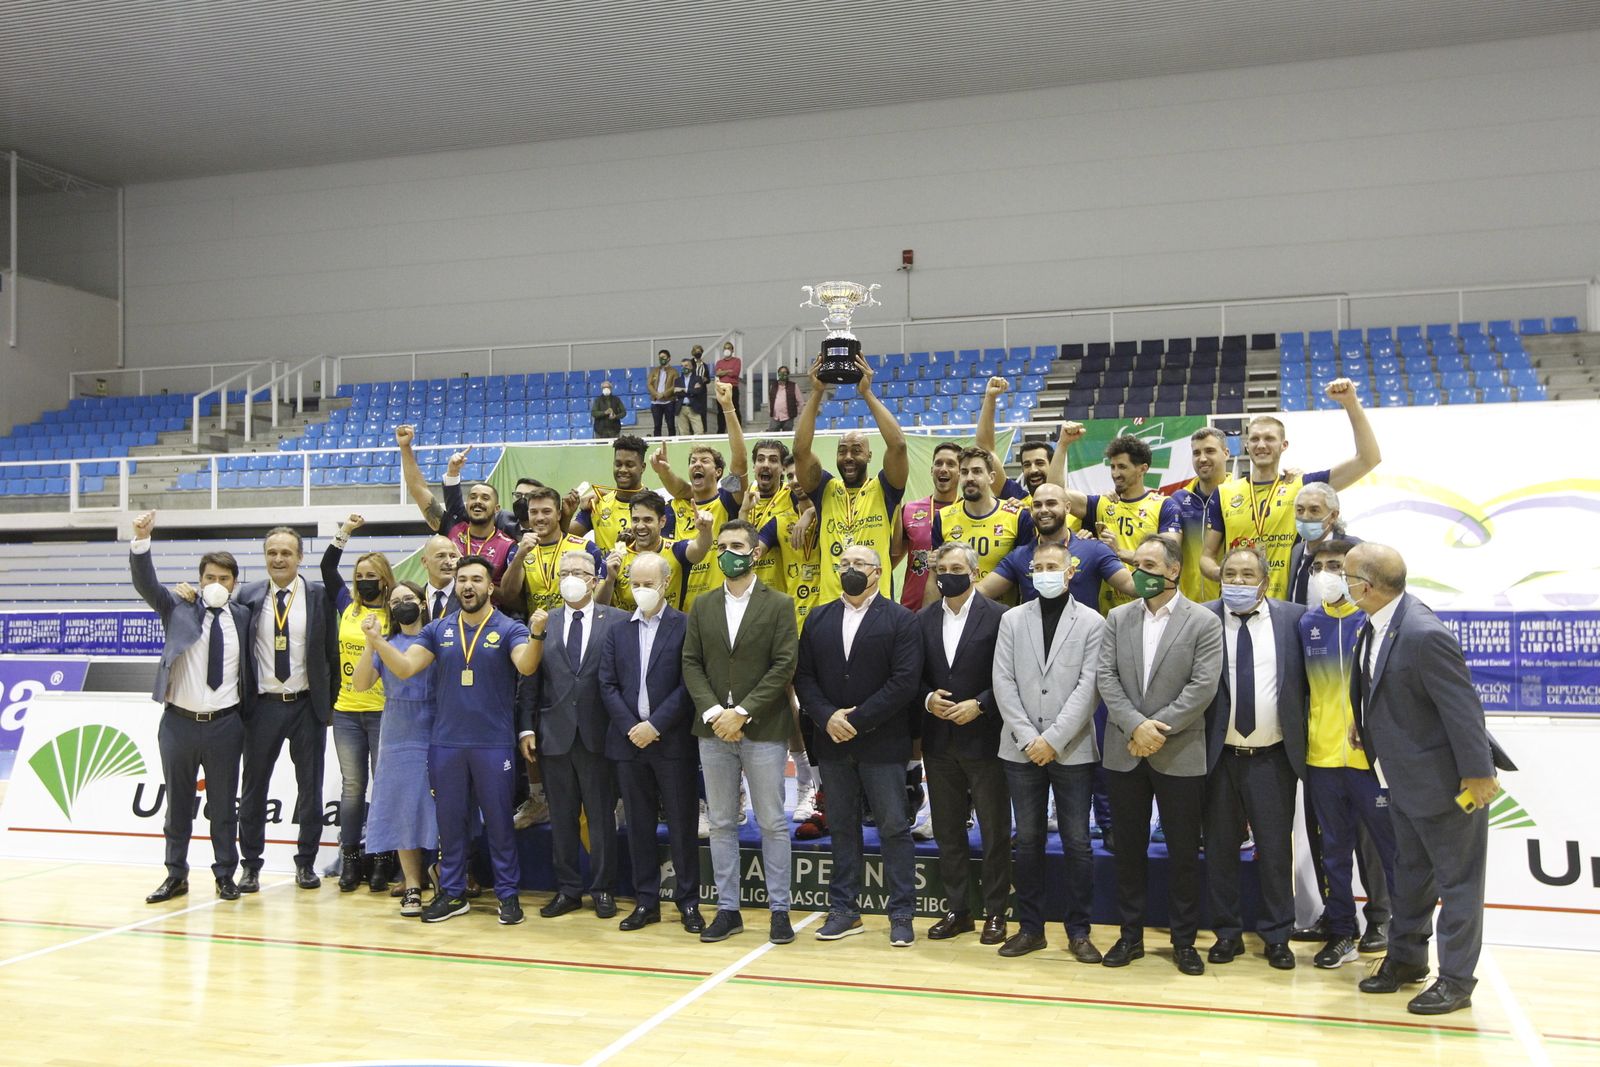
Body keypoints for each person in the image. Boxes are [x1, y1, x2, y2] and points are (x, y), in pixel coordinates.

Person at [1345, 543, 1498, 1015]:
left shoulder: (1422, 632)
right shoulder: (1377, 621)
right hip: (1402, 779)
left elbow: (1463, 709)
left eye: (1346, 575)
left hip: (1448, 786)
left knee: (1457, 886)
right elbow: (1385, 687)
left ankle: (1455, 981)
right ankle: (1407, 960)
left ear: (1365, 587)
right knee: (1410, 878)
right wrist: (1363, 723)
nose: (1338, 583)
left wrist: (1478, 775)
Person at [365, 555, 540, 925]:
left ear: (490, 587)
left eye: (476, 579)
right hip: (445, 744)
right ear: (455, 585)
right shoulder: (438, 630)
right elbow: (406, 667)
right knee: (450, 824)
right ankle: (453, 892)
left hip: (492, 744)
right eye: (462, 580)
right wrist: (377, 642)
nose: (468, 586)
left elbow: (526, 665)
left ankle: (508, 896)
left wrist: (537, 636)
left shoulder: (510, 628)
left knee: (498, 823)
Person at [1095, 534, 1223, 974]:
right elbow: (1106, 678)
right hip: (1125, 749)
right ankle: (1129, 937)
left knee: (1184, 852)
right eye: (1136, 565)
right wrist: (1136, 726)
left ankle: (1183, 941)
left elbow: (1202, 688)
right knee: (1127, 850)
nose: (1140, 573)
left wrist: (1155, 730)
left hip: (1179, 750)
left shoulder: (1204, 622)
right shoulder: (1117, 617)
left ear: (1173, 570)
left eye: (1150, 565)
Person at [795, 544, 923, 947]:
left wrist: (856, 720)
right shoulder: (818, 617)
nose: (850, 569)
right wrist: (827, 717)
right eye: (844, 563)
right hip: (831, 741)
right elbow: (804, 677)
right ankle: (844, 911)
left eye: (859, 564)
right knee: (842, 828)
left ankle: (901, 913)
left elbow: (904, 682)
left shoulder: (902, 620)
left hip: (883, 742)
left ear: (878, 572)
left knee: (893, 827)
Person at [682, 519, 800, 945]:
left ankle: (780, 911)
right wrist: (717, 712)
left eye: (737, 545)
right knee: (720, 823)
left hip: (764, 728)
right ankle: (728, 910)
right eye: (723, 545)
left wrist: (743, 712)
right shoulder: (703, 604)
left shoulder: (780, 604)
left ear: (755, 553)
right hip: (712, 729)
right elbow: (690, 662)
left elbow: (783, 665)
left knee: (772, 823)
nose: (729, 552)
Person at [129, 510, 252, 903]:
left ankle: (224, 875)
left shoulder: (245, 617)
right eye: (210, 578)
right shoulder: (177, 607)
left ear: (235, 584)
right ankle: (175, 874)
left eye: (224, 578)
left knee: (223, 808)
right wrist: (141, 540)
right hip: (178, 724)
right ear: (200, 581)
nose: (216, 584)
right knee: (177, 807)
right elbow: (146, 584)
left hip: (225, 726)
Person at [991, 540, 1105, 960]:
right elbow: (1002, 681)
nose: (1044, 572)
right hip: (1020, 749)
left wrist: (1052, 740)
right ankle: (1031, 928)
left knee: (1077, 842)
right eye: (1037, 566)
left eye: (1051, 565)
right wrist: (1027, 737)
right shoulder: (1012, 620)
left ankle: (1079, 931)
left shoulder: (1094, 623)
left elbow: (1088, 689)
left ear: (1070, 570)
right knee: (1028, 840)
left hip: (1071, 749)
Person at [1201, 546, 1308, 971]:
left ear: (1265, 582)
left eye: (1248, 575)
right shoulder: (1202, 618)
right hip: (1218, 757)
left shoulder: (1295, 619)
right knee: (1221, 850)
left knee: (1275, 850)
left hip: (1273, 757)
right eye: (1231, 574)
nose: (1238, 582)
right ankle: (1227, 933)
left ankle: (1278, 934)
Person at [1298, 538, 1396, 969]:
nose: (1326, 574)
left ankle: (1387, 922)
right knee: (1333, 850)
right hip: (1322, 759)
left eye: (1335, 565)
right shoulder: (1307, 624)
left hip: (1370, 763)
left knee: (1382, 849)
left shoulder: (1375, 621)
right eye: (1318, 566)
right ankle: (1340, 929)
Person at [597, 551, 704, 934]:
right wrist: (632, 727)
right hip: (628, 744)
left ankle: (688, 902)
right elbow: (607, 685)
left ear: (666, 585)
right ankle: (646, 901)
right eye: (635, 584)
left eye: (648, 584)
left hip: (671, 741)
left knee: (681, 824)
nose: (641, 590)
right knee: (638, 825)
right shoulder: (617, 630)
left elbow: (689, 683)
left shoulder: (686, 626)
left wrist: (655, 725)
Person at [1202, 378, 1382, 599]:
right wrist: (1229, 574)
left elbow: (1368, 459)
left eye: (1269, 438)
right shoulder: (1224, 493)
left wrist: (1350, 402)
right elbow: (1206, 557)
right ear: (1246, 445)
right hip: (1237, 600)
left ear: (1283, 445)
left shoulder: (1302, 486)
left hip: (1288, 606)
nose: (1261, 445)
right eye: (1255, 439)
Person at [916, 543, 1011, 947]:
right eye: (942, 567)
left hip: (987, 740)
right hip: (939, 743)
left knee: (994, 832)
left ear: (974, 573)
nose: (947, 573)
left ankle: (995, 912)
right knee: (948, 832)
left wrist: (982, 705)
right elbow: (910, 674)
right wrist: (926, 699)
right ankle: (957, 909)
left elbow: (1010, 676)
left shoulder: (1002, 617)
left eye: (957, 567)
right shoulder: (920, 620)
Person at [233, 525, 338, 892]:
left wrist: (329, 706)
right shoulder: (246, 596)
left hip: (306, 706)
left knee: (310, 790)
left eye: (286, 553)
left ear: (300, 557)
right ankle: (250, 866)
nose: (279, 559)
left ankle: (306, 863)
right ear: (265, 557)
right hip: (261, 708)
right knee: (253, 790)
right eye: (272, 552)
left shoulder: (318, 596)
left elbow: (331, 653)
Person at [520, 550, 624, 920]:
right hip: (554, 735)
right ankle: (567, 889)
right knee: (561, 819)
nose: (570, 577)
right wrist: (527, 727)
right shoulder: (542, 623)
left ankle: (603, 889)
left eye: (578, 571)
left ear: (594, 579)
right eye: (564, 571)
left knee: (600, 818)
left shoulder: (618, 621)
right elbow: (530, 679)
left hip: (600, 735)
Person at [793, 354, 909, 606]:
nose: (848, 457)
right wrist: (816, 393)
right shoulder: (825, 489)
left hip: (877, 607)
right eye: (842, 450)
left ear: (869, 455)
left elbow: (898, 445)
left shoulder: (884, 489)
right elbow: (800, 452)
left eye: (856, 450)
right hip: (831, 606)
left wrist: (866, 393)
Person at [353, 580, 438, 918]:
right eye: (396, 600)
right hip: (397, 730)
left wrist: (377, 641)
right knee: (404, 808)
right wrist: (370, 644)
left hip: (433, 725)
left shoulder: (435, 637)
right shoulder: (384, 643)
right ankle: (413, 884)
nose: (403, 603)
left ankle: (446, 875)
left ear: (422, 602)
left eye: (409, 598)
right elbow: (360, 684)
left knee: (435, 806)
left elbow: (407, 667)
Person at [320, 514, 395, 893]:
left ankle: (383, 859)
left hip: (384, 712)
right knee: (353, 787)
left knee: (383, 787)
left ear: (384, 578)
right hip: (347, 710)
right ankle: (349, 859)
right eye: (360, 573)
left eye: (372, 574)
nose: (365, 579)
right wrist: (344, 532)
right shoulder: (346, 605)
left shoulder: (395, 613)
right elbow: (326, 566)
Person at [653, 382, 748, 609]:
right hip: (680, 609)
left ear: (718, 472)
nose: (697, 464)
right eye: (693, 461)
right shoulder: (673, 506)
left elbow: (740, 461)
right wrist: (664, 471)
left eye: (704, 461)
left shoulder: (726, 500)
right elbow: (680, 489)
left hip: (720, 606)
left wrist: (728, 407)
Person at [1073, 434, 1182, 614]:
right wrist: (1063, 445)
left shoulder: (1164, 505)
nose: (1115, 473)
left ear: (1142, 469)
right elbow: (1055, 493)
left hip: (1153, 604)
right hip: (1107, 611)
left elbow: (1169, 558)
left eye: (1122, 467)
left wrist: (1119, 553)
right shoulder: (1102, 503)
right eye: (1113, 467)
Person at [980, 484, 1132, 608]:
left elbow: (1130, 584)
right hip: (1035, 640)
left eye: (1051, 503)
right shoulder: (1019, 555)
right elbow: (982, 591)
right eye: (1037, 505)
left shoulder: (1094, 550)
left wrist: (1153, 572)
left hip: (1082, 641)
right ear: (1031, 510)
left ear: (1067, 508)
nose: (1044, 510)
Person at [927, 447, 1035, 605]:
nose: (969, 478)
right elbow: (936, 576)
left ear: (991, 477)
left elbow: (1026, 575)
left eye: (977, 471)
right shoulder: (943, 518)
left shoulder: (1017, 516)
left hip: (1004, 616)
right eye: (964, 472)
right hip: (958, 614)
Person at [499, 486, 609, 615]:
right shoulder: (519, 550)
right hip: (537, 628)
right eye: (533, 512)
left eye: (546, 511)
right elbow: (508, 595)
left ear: (558, 515)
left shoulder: (586, 548)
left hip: (578, 624)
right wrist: (520, 556)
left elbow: (600, 596)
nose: (539, 518)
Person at [599, 494, 714, 613]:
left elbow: (700, 548)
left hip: (670, 629)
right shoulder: (615, 556)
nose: (640, 526)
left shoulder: (677, 550)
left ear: (662, 522)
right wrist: (610, 579)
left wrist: (705, 531)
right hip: (626, 630)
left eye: (648, 520)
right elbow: (598, 608)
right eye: (635, 520)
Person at [570, 434, 676, 550]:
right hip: (606, 568)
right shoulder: (597, 503)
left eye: (629, 465)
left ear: (643, 467)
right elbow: (565, 535)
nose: (623, 470)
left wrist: (625, 548)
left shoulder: (660, 507)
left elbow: (663, 553)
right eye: (618, 464)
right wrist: (568, 513)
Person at [894, 441, 961, 610]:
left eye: (951, 464)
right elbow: (891, 560)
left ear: (961, 472)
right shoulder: (910, 509)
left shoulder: (969, 511)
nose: (943, 468)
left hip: (956, 609)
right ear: (931, 470)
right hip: (912, 609)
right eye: (938, 463)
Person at [1172, 426, 1229, 605]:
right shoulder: (1178, 499)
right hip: (1190, 605)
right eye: (1196, 453)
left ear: (1226, 453)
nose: (1202, 458)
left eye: (1210, 451)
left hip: (1230, 602)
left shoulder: (1240, 496)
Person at [1286, 482, 1352, 605]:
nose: (1305, 517)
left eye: (1314, 510)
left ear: (1333, 515)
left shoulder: (1354, 549)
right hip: (1300, 623)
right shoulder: (1296, 551)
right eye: (1300, 510)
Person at [419, 534, 461, 622]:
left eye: (453, 556)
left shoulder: (465, 597)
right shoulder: (417, 598)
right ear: (424, 562)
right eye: (441, 556)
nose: (449, 562)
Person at [648, 349, 680, 436]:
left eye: (663, 357)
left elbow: (675, 386)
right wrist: (655, 394)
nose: (661, 359)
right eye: (660, 357)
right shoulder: (654, 371)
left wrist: (664, 394)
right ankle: (657, 444)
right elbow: (649, 384)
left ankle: (672, 444)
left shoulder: (674, 372)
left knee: (670, 425)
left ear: (669, 358)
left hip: (669, 402)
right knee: (657, 426)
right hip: (656, 402)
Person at [714, 341, 742, 432]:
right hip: (721, 388)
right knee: (721, 411)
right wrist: (728, 371)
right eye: (725, 348)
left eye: (729, 348)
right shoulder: (719, 362)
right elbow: (717, 373)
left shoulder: (737, 361)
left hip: (732, 387)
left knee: (734, 409)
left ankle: (737, 429)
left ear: (732, 350)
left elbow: (735, 373)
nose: (727, 350)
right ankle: (721, 431)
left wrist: (723, 372)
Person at [681, 349, 710, 435]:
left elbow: (708, 378)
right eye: (696, 351)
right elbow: (687, 376)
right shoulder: (689, 363)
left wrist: (705, 379)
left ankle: (703, 431)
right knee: (691, 412)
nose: (698, 353)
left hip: (702, 391)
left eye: (699, 351)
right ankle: (691, 431)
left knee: (702, 412)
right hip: (691, 392)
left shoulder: (704, 365)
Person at [767, 365, 801, 431]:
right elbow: (770, 399)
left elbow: (800, 401)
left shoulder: (793, 386)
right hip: (775, 417)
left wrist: (796, 412)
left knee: (787, 436)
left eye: (785, 373)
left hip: (788, 418)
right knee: (772, 436)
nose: (782, 374)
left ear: (788, 374)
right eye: (781, 372)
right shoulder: (773, 385)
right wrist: (769, 410)